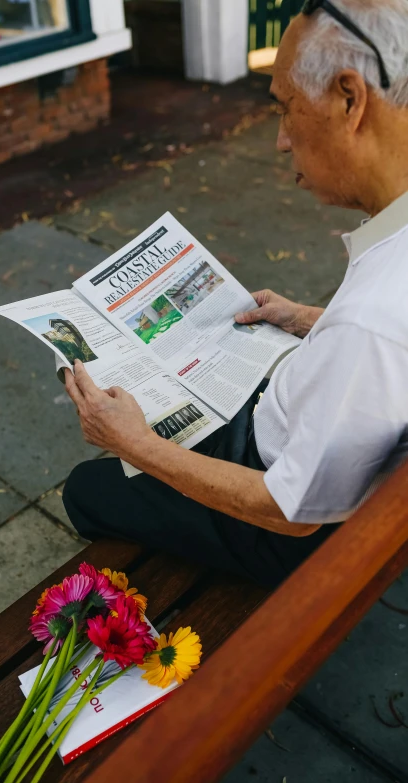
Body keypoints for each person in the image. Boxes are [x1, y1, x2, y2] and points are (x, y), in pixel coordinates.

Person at [63, 0, 408, 589]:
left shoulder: (371, 319)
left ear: (350, 100)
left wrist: (137, 446)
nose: (279, 140)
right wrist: (306, 318)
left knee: (84, 490)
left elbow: (288, 510)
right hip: (298, 430)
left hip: (287, 522)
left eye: (286, 108)